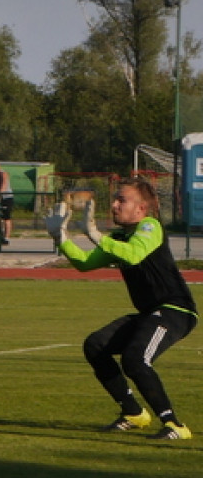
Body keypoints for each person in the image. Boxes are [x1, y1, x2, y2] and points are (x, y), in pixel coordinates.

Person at [44, 178, 196, 440]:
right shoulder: (118, 237)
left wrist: (95, 235)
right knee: (96, 345)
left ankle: (174, 425)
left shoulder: (150, 226)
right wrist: (61, 238)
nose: (114, 205)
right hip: (151, 312)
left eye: (121, 200)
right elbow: (84, 263)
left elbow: (134, 255)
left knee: (135, 359)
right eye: (114, 199)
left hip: (175, 310)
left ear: (141, 209)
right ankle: (133, 413)